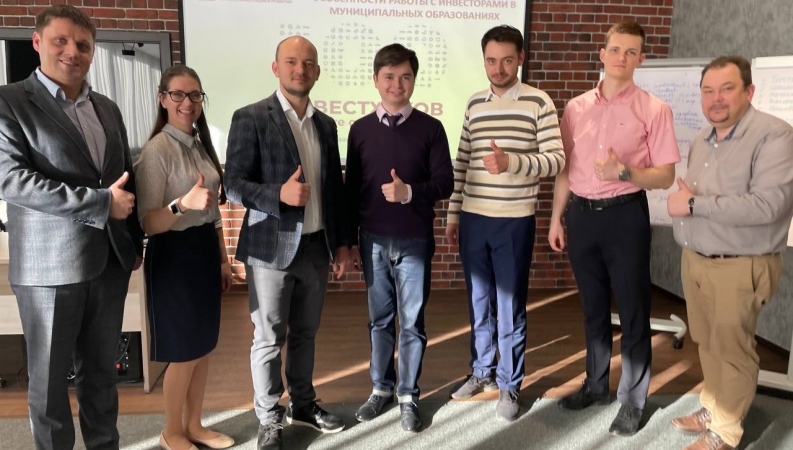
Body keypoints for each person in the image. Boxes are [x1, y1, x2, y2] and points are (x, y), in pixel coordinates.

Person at [0, 5, 143, 450]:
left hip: (109, 264)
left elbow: (125, 177)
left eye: (83, 44)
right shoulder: (9, 102)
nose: (72, 52)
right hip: (48, 271)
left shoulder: (107, 108)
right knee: (48, 386)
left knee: (102, 378)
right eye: (60, 41)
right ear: (37, 42)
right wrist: (100, 203)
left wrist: (134, 241)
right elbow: (12, 180)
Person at [548, 21, 680, 436]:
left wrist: (624, 171)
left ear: (641, 59)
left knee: (633, 308)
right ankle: (595, 385)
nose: (622, 57)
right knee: (592, 308)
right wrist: (556, 217)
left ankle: (633, 401)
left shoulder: (654, 109)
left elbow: (665, 175)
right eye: (616, 49)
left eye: (631, 51)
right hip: (581, 216)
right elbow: (566, 168)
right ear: (602, 54)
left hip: (625, 216)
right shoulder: (575, 108)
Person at [224, 36, 351, 450]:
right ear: (276, 68)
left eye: (308, 63)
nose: (301, 69)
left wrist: (342, 243)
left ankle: (303, 404)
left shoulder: (326, 125)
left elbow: (334, 191)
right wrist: (278, 194)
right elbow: (233, 184)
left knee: (306, 334)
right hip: (269, 250)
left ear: (317, 71)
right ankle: (268, 417)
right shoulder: (250, 117)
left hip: (316, 247)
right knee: (268, 338)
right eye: (292, 61)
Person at [667, 55, 793, 450]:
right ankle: (714, 407)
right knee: (707, 341)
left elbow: (768, 206)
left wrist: (692, 205)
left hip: (739, 265)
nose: (716, 98)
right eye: (708, 91)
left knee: (733, 349)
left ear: (749, 91)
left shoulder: (775, 136)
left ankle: (724, 432)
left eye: (726, 89)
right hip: (696, 260)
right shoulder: (703, 137)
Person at [445, 24, 566, 421]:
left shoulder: (538, 102)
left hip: (514, 220)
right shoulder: (474, 104)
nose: (498, 69)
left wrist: (511, 162)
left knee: (509, 305)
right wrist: (453, 213)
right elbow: (463, 162)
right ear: (483, 60)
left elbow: (556, 160)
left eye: (507, 60)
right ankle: (481, 371)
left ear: (521, 59)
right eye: (491, 61)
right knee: (479, 302)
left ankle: (510, 383)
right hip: (473, 218)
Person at [345, 43, 453, 432]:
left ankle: (408, 395)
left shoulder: (431, 128)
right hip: (372, 240)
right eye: (389, 76)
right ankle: (381, 389)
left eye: (405, 76)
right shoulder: (359, 130)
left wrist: (409, 192)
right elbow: (352, 191)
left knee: (411, 323)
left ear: (414, 80)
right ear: (376, 79)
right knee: (379, 321)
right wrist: (350, 241)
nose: (397, 84)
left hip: (414, 241)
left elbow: (445, 182)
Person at [133, 65, 235, 450]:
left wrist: (223, 258)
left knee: (202, 347)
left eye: (194, 95)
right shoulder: (156, 150)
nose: (187, 102)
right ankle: (171, 432)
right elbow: (147, 222)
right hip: (173, 257)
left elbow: (213, 212)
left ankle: (194, 425)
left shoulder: (199, 144)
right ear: (162, 98)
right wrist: (181, 204)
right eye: (178, 94)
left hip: (204, 252)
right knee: (183, 352)